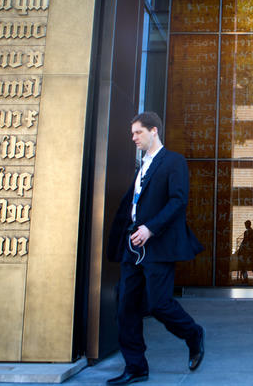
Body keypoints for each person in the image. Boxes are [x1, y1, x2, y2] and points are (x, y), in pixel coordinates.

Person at [106, 111, 205, 385]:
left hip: (158, 244)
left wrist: (151, 228)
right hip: (133, 245)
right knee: (125, 306)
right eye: (132, 134)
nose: (134, 138)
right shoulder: (142, 166)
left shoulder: (173, 162)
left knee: (159, 304)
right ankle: (136, 367)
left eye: (138, 132)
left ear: (154, 131)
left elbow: (178, 201)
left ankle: (193, 334)